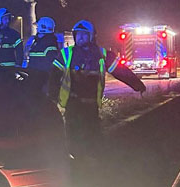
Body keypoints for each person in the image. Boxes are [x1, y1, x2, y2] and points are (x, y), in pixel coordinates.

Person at [49, 19, 146, 158]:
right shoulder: (66, 53)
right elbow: (54, 75)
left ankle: (93, 162)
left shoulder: (102, 54)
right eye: (78, 35)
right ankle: (75, 161)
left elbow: (120, 71)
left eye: (84, 34)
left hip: (91, 103)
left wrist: (137, 85)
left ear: (91, 36)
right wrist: (52, 95)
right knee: (73, 133)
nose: (80, 37)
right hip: (72, 102)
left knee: (92, 134)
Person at [25, 16, 60, 92]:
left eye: (38, 26)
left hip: (42, 80)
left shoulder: (49, 42)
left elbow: (49, 65)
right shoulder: (38, 41)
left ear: (43, 27)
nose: (37, 28)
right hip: (34, 77)